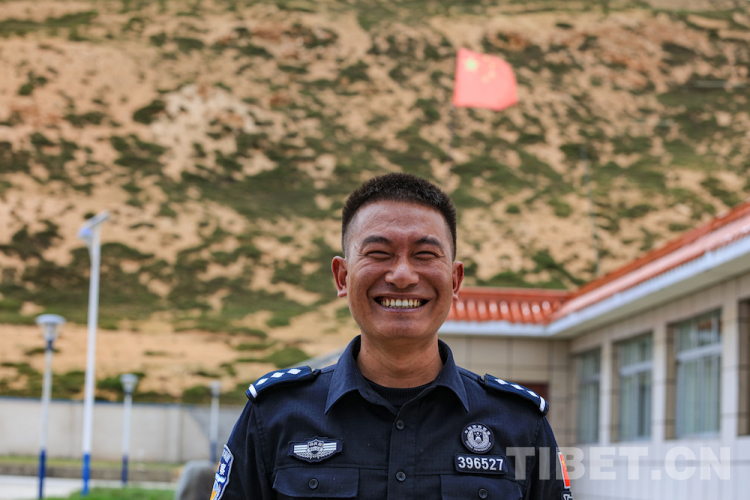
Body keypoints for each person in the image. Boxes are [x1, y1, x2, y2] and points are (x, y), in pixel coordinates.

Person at [212, 173, 572, 500]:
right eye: (379, 253)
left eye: (425, 255)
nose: (402, 275)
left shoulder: (521, 425)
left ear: (455, 280)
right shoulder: (274, 416)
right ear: (342, 277)